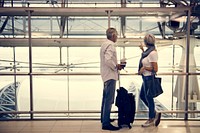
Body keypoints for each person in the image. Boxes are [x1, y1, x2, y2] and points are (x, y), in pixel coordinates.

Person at [100, 27, 124, 131]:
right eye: (117, 35)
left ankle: (104, 118)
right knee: (109, 99)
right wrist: (116, 66)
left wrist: (115, 65)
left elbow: (106, 59)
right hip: (110, 75)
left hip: (105, 75)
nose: (117, 37)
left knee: (105, 98)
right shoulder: (111, 45)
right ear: (113, 35)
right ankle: (105, 123)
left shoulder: (104, 44)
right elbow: (108, 60)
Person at [138, 33, 161, 127]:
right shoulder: (148, 52)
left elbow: (155, 69)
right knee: (143, 96)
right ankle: (154, 113)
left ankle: (151, 118)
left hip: (149, 79)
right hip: (145, 78)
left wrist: (144, 68)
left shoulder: (152, 53)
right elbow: (146, 59)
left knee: (149, 98)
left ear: (146, 42)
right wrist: (142, 50)